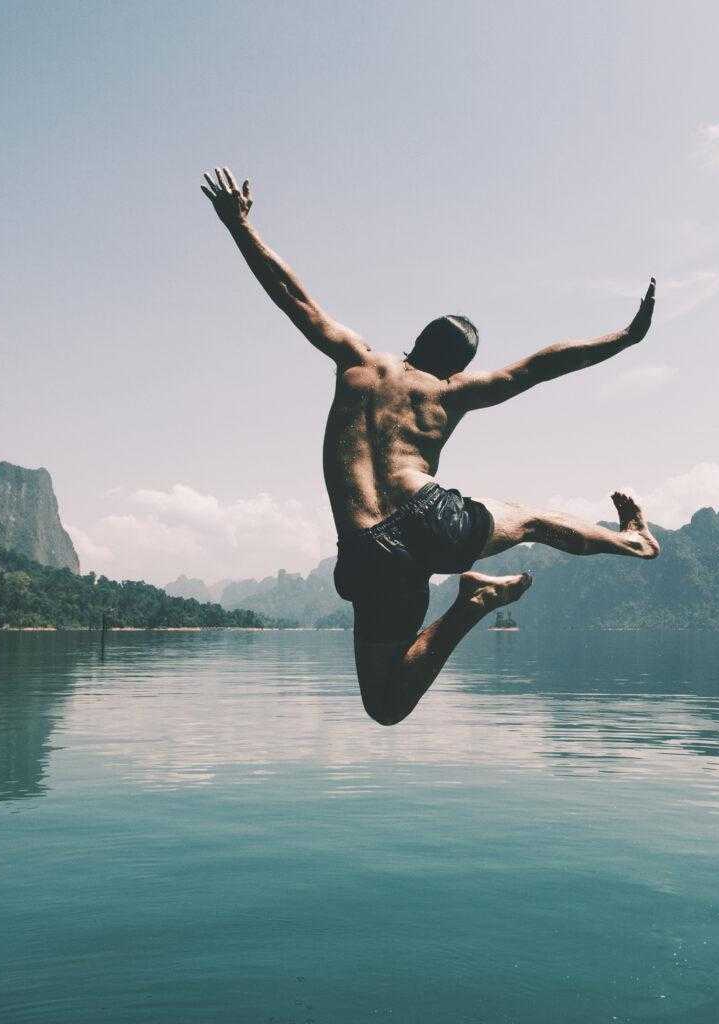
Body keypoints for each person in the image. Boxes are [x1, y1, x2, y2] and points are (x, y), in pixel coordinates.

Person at [202, 167, 660, 726]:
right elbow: (540, 366)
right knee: (536, 521)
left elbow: (294, 299)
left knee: (386, 705)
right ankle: (631, 542)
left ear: (416, 339)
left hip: (367, 549)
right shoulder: (452, 392)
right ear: (460, 365)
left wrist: (239, 225)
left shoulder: (358, 361)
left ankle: (470, 606)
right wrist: (625, 337)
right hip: (431, 517)